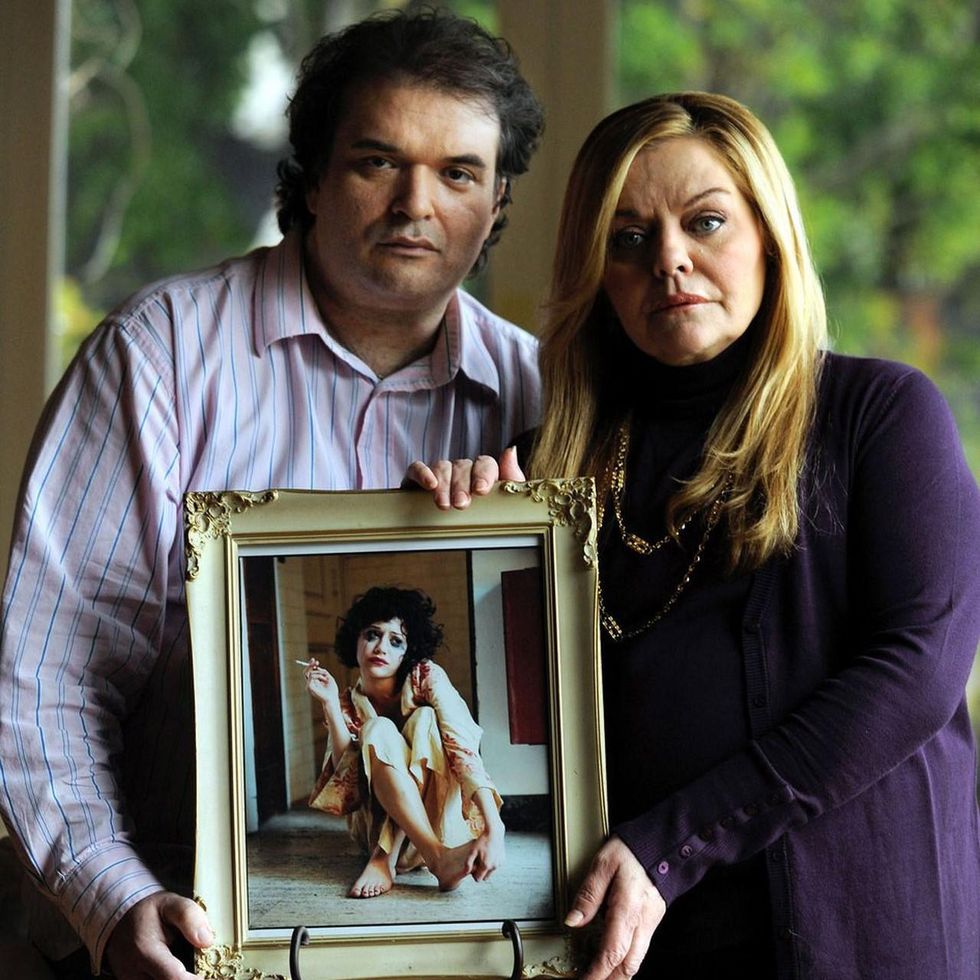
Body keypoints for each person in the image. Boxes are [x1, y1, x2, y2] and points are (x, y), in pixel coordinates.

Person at [0, 9, 543, 979]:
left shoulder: (542, 395)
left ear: (496, 199)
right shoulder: (157, 356)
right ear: (313, 175)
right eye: (378, 161)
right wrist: (110, 894)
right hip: (181, 935)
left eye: (458, 172)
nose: (416, 204)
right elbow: (48, 675)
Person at [411, 92, 980, 979]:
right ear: (596, 269)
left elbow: (917, 672)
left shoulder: (881, 417)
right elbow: (488, 727)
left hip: (856, 944)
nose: (669, 260)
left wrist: (670, 845)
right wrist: (456, 542)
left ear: (768, 234)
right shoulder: (546, 470)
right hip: (634, 950)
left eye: (705, 222)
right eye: (629, 239)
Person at [303, 586, 503, 899]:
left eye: (395, 641)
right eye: (372, 634)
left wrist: (495, 827)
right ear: (356, 640)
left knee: (423, 720)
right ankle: (432, 859)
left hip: (437, 822)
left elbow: (464, 751)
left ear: (406, 652)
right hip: (373, 829)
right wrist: (329, 704)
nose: (381, 647)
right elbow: (350, 791)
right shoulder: (345, 704)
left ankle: (395, 859)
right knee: (379, 728)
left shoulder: (427, 678)